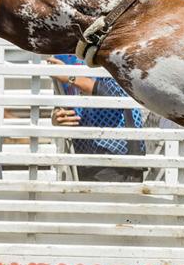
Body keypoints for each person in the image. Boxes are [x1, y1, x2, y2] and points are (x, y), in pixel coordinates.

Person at [48, 55, 144, 183]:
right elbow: (61, 102)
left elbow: (116, 94)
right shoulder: (63, 56)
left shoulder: (108, 48)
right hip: (81, 153)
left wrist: (71, 77)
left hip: (117, 151)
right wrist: (56, 116)